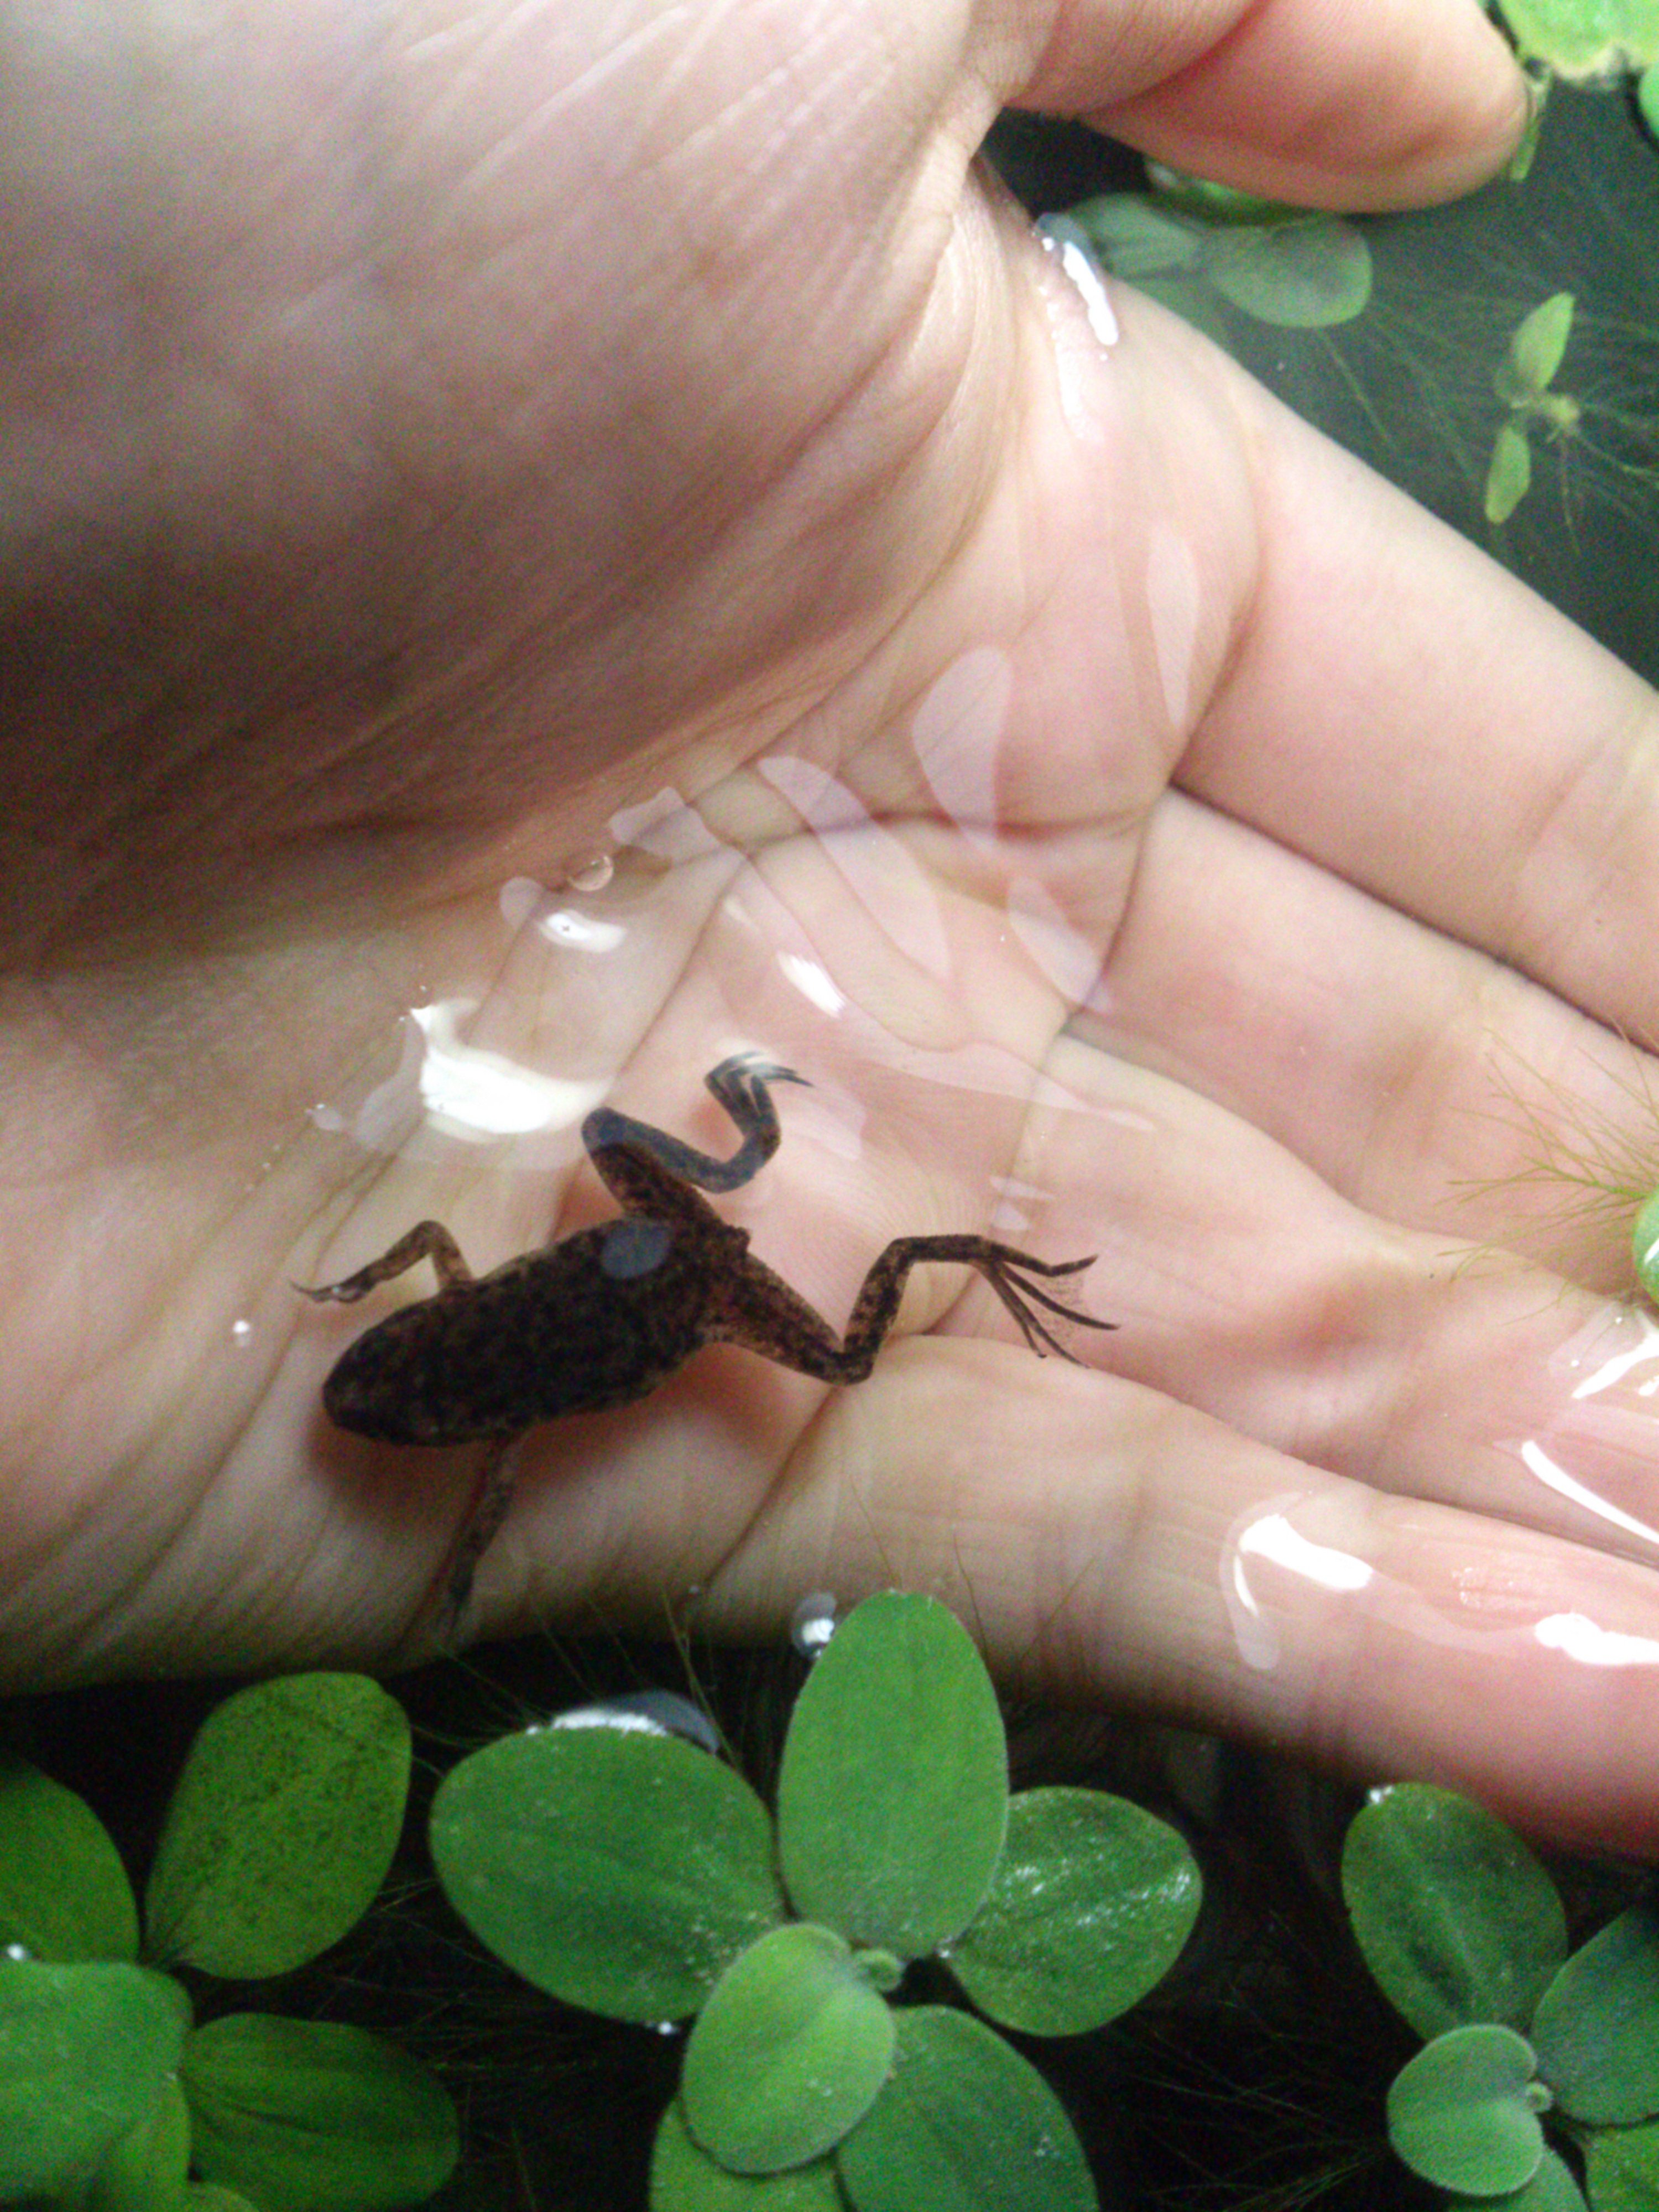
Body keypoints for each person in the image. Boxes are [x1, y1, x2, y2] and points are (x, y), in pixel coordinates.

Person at [6, 0, 1657, 1852]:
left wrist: (435, 1442)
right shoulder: (495, 1391)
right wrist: (396, 1324)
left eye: (371, 1372)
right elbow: (437, 1309)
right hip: (657, 1256)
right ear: (424, 1366)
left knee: (850, 1363)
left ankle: (854, 1181)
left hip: (677, 1266)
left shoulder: (498, 1417)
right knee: (840, 1363)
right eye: (381, 1378)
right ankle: (839, 1173)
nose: (378, 1389)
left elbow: (452, 1384)